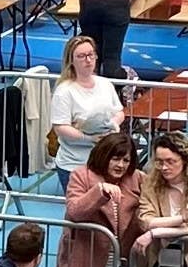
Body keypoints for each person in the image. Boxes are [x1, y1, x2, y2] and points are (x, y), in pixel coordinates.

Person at [59, 135, 136, 267]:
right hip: (85, 261)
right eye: (115, 158)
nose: (121, 165)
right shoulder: (81, 176)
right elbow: (74, 211)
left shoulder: (136, 179)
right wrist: (99, 193)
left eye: (126, 160)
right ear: (103, 155)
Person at [131, 134, 188, 267]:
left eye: (171, 161)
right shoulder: (150, 184)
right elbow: (145, 221)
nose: (164, 167)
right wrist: (182, 218)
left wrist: (155, 233)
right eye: (159, 162)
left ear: (186, 160)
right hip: (160, 257)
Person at [42, 34, 125, 176]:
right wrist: (89, 139)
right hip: (74, 165)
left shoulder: (105, 84)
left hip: (103, 162)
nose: (88, 60)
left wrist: (113, 125)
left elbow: (119, 112)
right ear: (71, 60)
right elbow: (60, 127)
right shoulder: (64, 91)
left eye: (91, 55)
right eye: (81, 56)